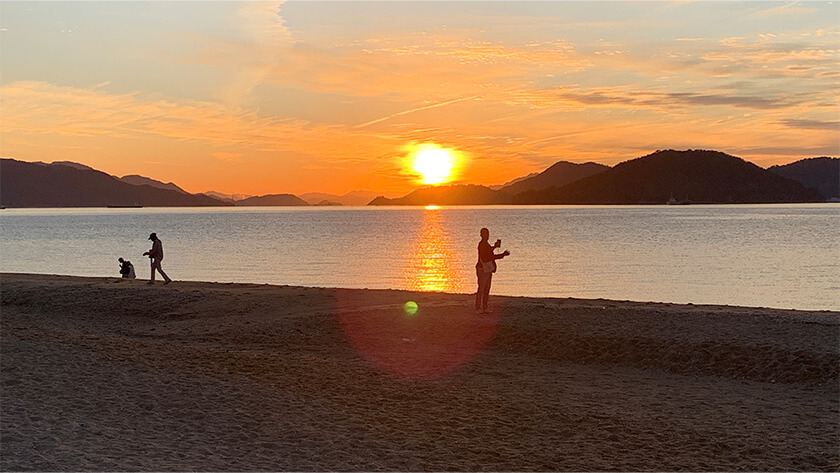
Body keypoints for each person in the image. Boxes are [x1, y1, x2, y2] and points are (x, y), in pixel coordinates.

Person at [475, 227, 509, 314]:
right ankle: (478, 308)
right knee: (482, 289)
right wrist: (501, 253)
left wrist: (495, 248)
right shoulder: (482, 244)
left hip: (487, 269)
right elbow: (487, 256)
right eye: (486, 234)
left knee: (486, 289)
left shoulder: (486, 244)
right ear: (482, 235)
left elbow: (489, 254)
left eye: (488, 234)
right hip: (482, 269)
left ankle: (484, 307)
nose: (487, 236)